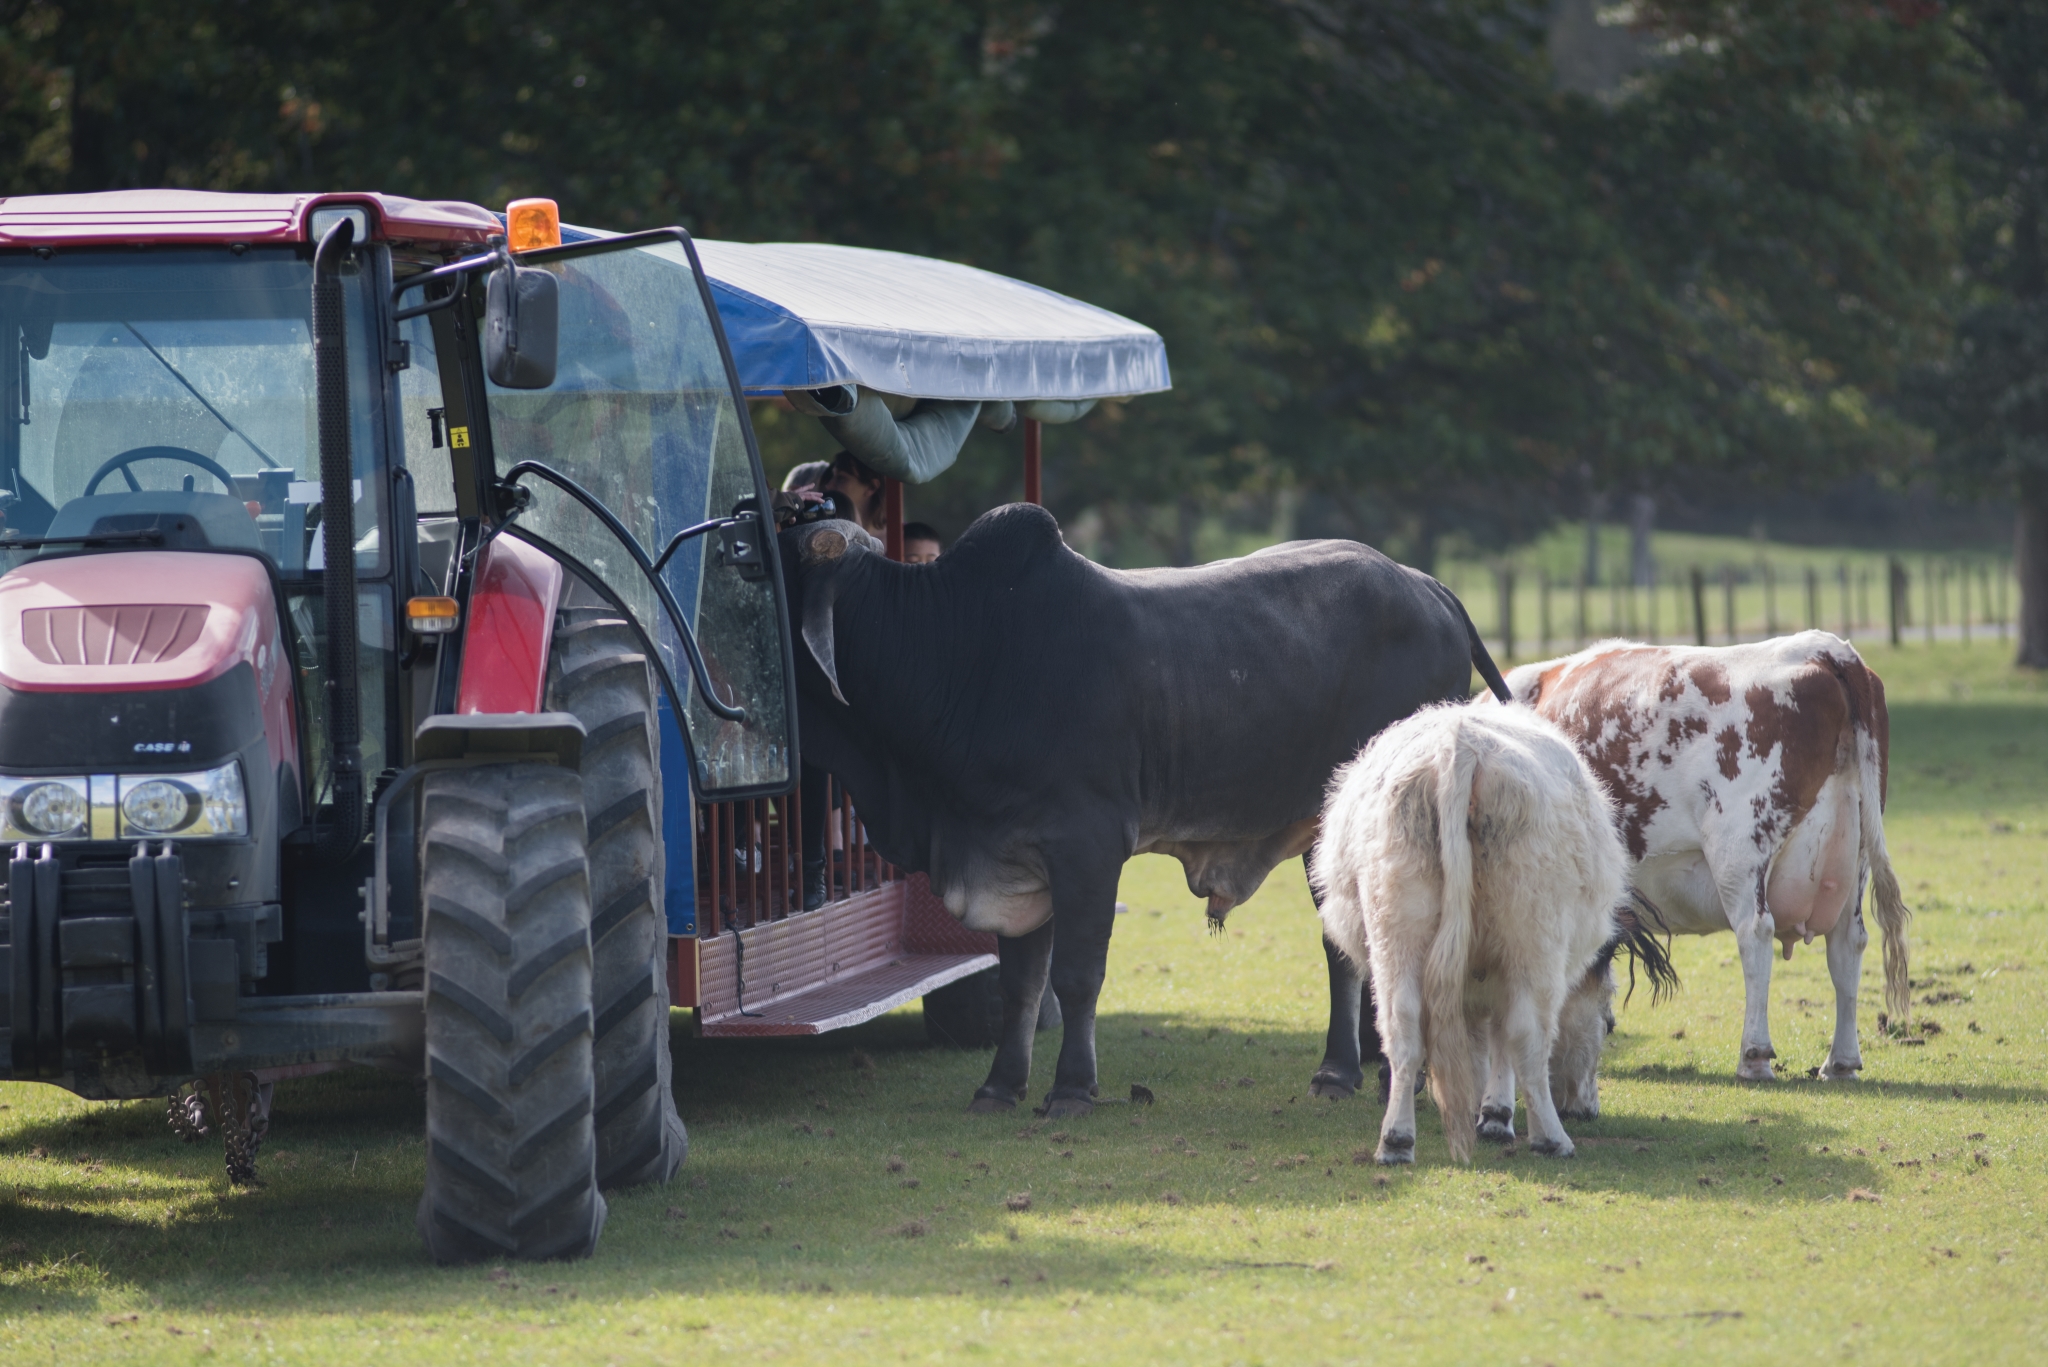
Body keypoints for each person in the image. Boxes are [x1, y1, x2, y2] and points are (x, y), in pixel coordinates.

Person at [821, 451, 888, 537]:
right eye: (832, 477)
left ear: (871, 487)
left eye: (841, 479)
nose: (829, 486)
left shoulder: (901, 540)